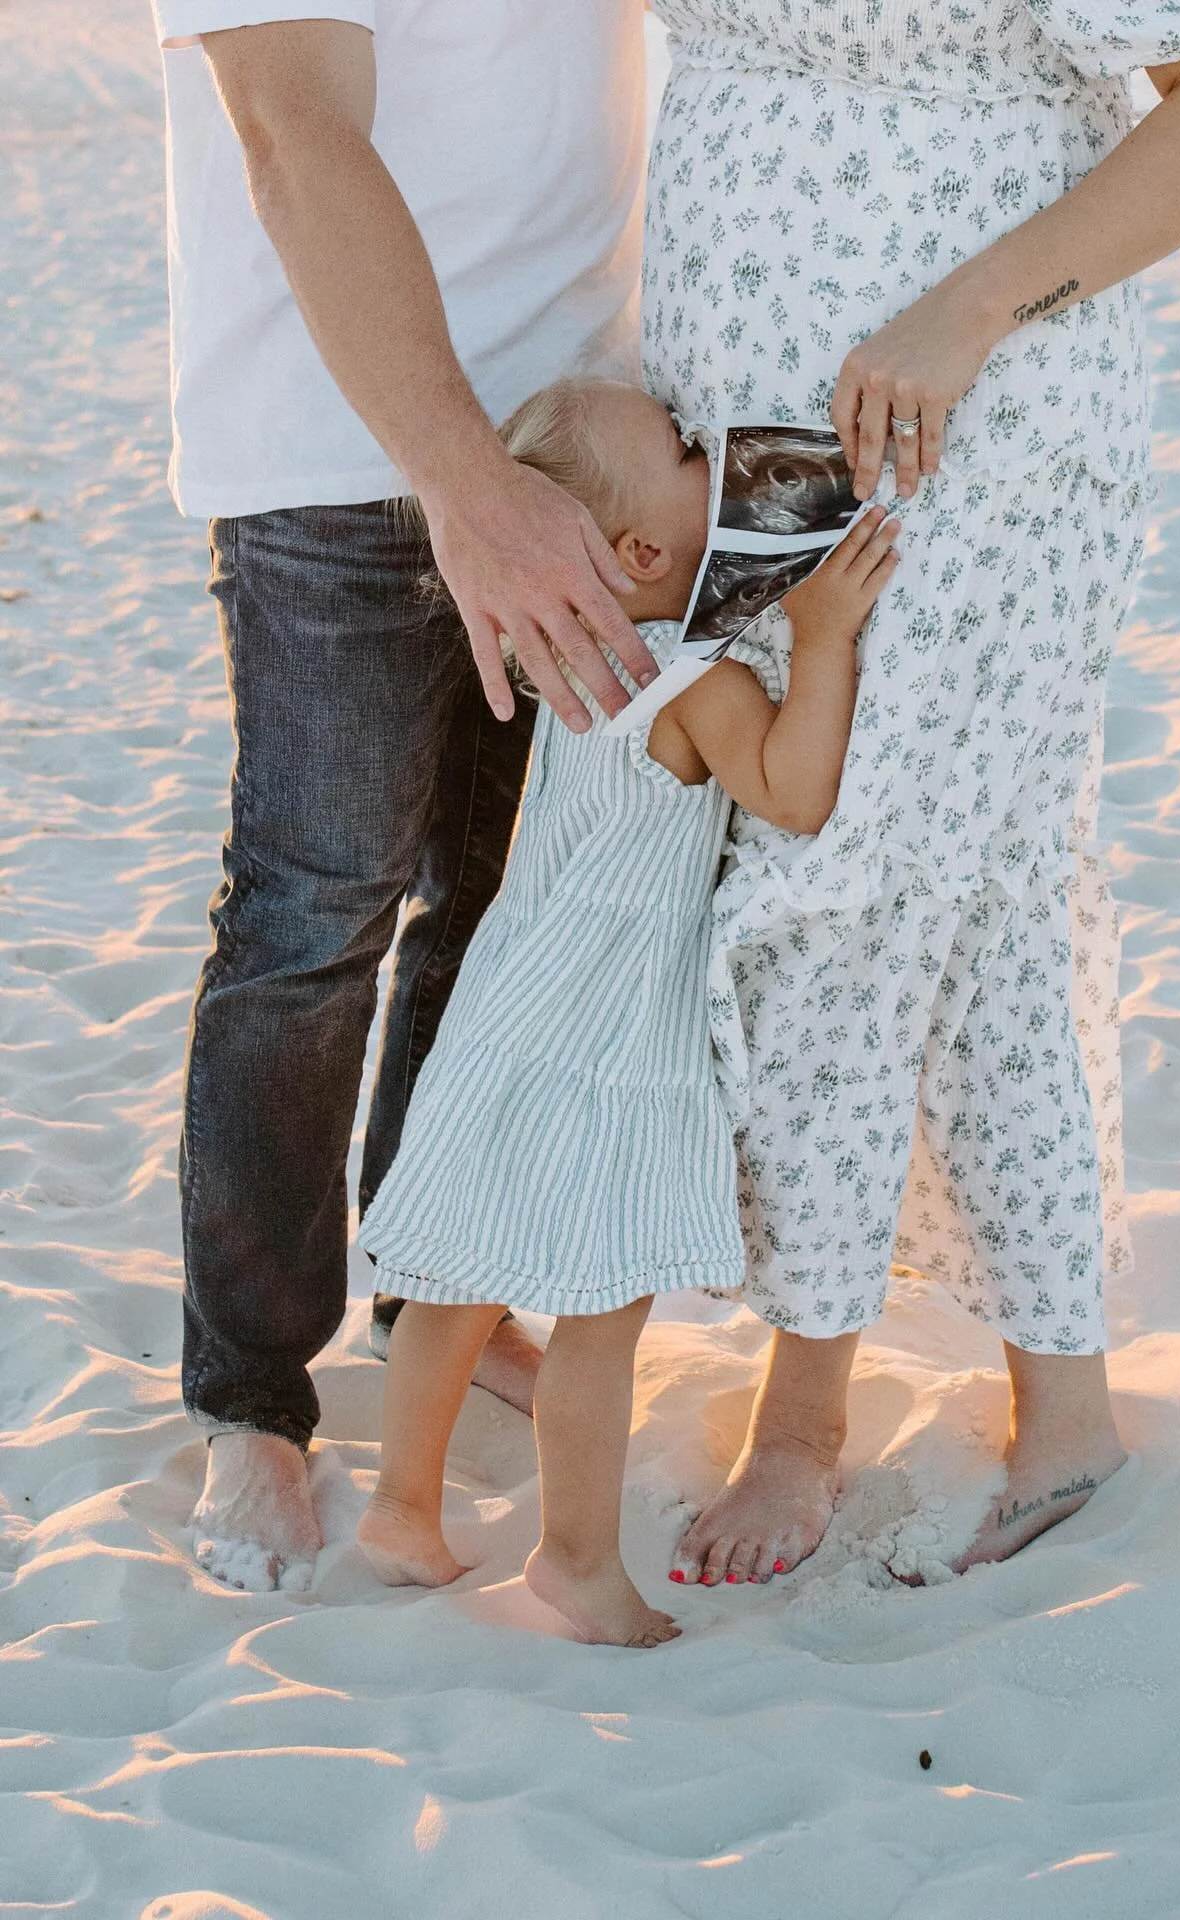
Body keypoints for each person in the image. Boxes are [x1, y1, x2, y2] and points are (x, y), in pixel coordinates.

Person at [641, 0, 1180, 1586]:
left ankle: (811, 1414)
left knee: (857, 884)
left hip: (966, 445)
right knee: (907, 879)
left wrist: (970, 311)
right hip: (744, 431)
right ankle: (1053, 1400)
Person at [151, 0, 656, 1592]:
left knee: (498, 915)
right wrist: (466, 482)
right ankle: (251, 1397)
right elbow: (294, 134)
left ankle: (434, 1290)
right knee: (313, 922)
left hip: (578, 437)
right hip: (343, 452)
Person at [353, 379, 901, 1647]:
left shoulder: (570, 659)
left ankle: (401, 1509)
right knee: (601, 1319)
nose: (713, 452)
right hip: (607, 1036)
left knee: (457, 1280)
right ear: (646, 553)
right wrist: (823, 634)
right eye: (687, 449)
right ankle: (577, 1562)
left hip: (510, 1009)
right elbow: (794, 795)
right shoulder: (693, 682)